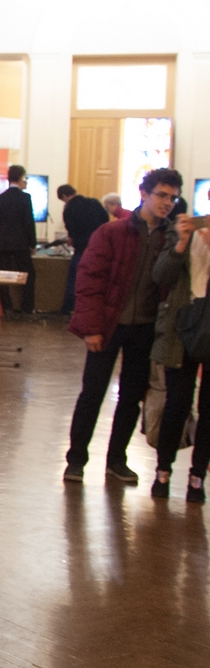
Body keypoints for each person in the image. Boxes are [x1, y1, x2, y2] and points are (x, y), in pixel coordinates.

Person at [64, 167, 184, 485]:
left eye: (173, 198)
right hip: (108, 325)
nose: (167, 202)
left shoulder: (171, 237)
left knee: (131, 397)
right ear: (143, 194)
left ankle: (117, 460)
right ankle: (76, 459)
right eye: (162, 195)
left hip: (145, 329)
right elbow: (90, 280)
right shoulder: (112, 232)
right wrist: (91, 327)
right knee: (92, 393)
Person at [149, 211, 210, 502]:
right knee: (177, 404)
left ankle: (197, 477)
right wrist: (182, 243)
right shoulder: (183, 229)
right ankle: (163, 471)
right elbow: (160, 276)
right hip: (181, 327)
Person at [0, 165, 37, 316]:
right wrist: (33, 244)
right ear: (21, 177)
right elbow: (29, 223)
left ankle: (7, 307)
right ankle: (27, 308)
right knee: (28, 275)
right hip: (21, 244)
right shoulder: (25, 198)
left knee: (3, 276)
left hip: (4, 243)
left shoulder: (0, 198)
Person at [58, 184, 109, 315]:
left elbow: (72, 231)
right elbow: (106, 220)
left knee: (74, 279)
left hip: (81, 248)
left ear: (64, 196)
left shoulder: (69, 209)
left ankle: (69, 308)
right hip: (99, 246)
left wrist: (72, 239)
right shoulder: (94, 202)